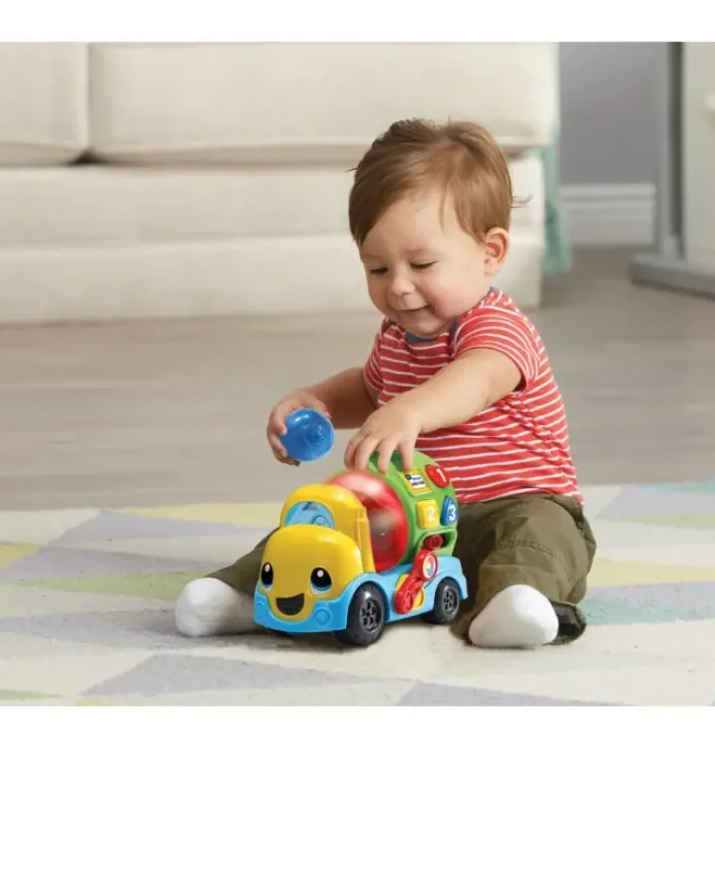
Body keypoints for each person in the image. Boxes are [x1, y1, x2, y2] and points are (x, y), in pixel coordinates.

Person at [175, 118, 597, 648]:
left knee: (541, 536)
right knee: (321, 527)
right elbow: (371, 390)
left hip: (511, 505)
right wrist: (319, 401)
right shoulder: (397, 336)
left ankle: (517, 601)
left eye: (421, 264)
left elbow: (476, 379)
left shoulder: (496, 328)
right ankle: (248, 592)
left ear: (490, 252)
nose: (398, 287)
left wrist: (412, 410)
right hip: (414, 523)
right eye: (377, 269)